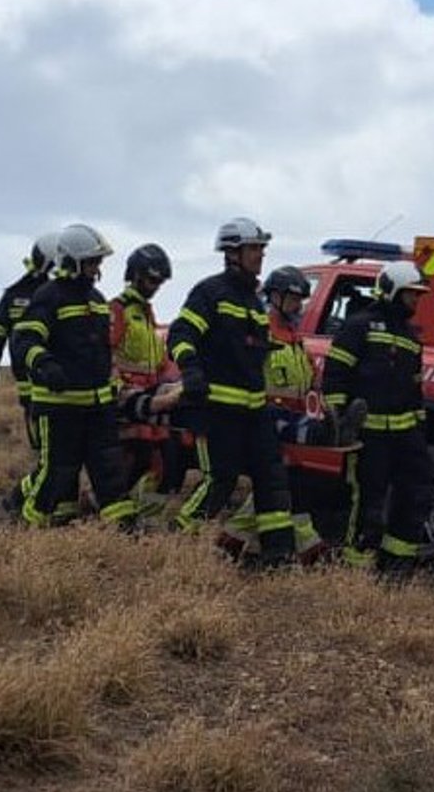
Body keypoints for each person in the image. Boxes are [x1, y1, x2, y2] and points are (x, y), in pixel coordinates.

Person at [168, 218, 297, 568]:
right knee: (220, 481)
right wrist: (191, 370)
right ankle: (175, 545)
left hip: (256, 413)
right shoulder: (210, 292)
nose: (260, 255)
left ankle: (278, 557)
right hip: (217, 411)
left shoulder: (255, 303)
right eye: (254, 249)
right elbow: (180, 335)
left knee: (273, 483)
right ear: (233, 252)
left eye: (261, 249)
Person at [13, 224, 140, 530]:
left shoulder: (97, 299)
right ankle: (28, 532)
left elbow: (100, 351)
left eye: (99, 262)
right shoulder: (49, 296)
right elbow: (25, 339)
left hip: (97, 408)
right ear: (72, 262)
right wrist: (44, 364)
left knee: (110, 473)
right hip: (60, 408)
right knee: (56, 474)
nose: (97, 268)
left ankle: (124, 535)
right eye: (92, 261)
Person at [320, 259, 434, 577]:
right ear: (392, 291)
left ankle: (397, 563)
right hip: (367, 435)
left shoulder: (411, 337)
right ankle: (355, 569)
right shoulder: (359, 326)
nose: (416, 301)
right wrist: (340, 420)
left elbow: (415, 389)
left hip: (404, 433)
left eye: (418, 295)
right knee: (368, 502)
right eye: (411, 294)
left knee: (418, 493)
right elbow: (335, 375)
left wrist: (419, 429)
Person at [222, 264, 332, 565]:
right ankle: (312, 553)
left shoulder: (295, 340)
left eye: (301, 300)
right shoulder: (260, 333)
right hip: (265, 423)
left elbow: (309, 381)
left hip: (289, 427)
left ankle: (228, 546)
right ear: (276, 297)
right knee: (278, 492)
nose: (299, 306)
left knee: (275, 492)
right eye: (294, 300)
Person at [0, 232, 62, 519]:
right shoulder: (41, 296)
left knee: (56, 455)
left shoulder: (19, 295)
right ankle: (21, 501)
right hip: (40, 392)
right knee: (52, 456)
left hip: (58, 389)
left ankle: (55, 507)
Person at [112, 243, 184, 514]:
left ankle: (144, 520)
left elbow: (159, 361)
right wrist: (120, 391)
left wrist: (177, 381)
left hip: (152, 399)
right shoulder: (119, 310)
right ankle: (110, 511)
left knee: (166, 462)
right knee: (133, 464)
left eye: (160, 282)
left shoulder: (145, 314)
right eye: (153, 280)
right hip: (127, 401)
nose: (156, 286)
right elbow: (104, 355)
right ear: (136, 275)